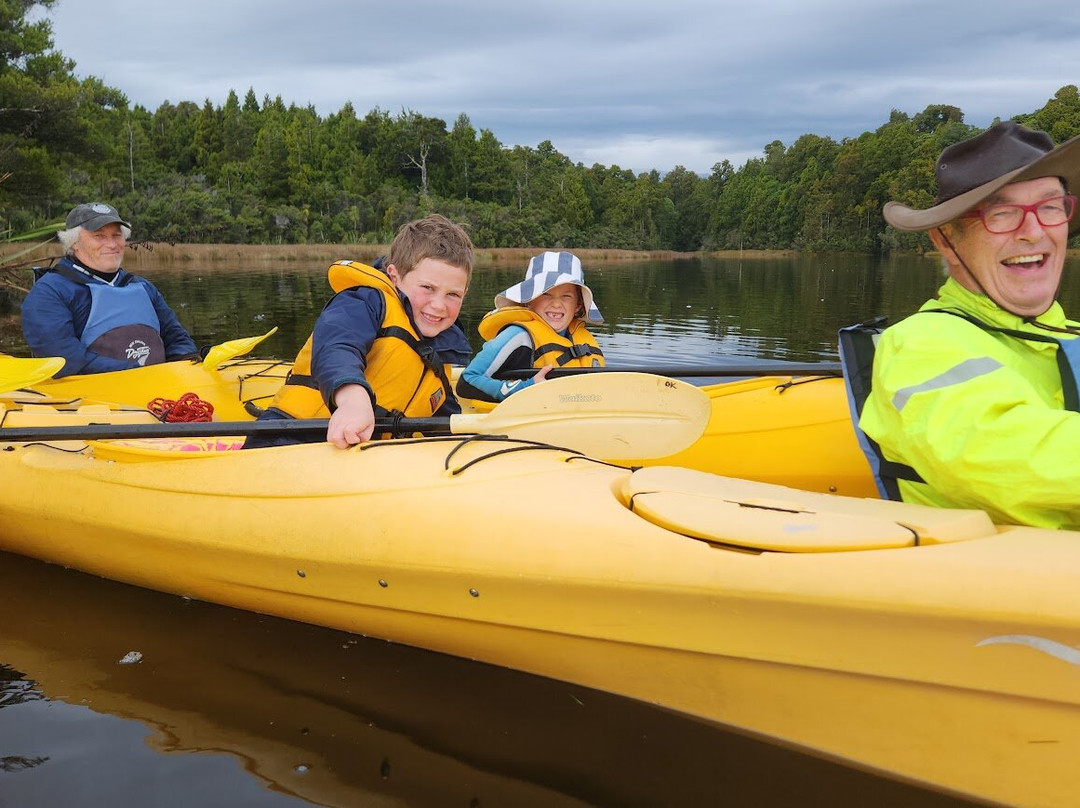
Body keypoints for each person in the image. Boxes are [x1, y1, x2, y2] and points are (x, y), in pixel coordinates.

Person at [857, 121, 1080, 529]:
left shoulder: (1066, 332)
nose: (1033, 232)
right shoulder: (921, 344)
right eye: (1002, 213)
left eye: (1050, 207)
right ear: (946, 239)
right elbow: (1011, 455)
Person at [246, 214, 474, 449]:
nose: (438, 305)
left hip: (364, 455)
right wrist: (352, 400)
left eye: (453, 294)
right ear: (395, 276)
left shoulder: (440, 353)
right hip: (291, 436)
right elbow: (337, 347)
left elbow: (445, 422)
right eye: (428, 288)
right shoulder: (365, 302)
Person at [21, 202, 197, 377]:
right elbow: (66, 360)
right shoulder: (49, 292)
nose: (112, 244)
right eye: (99, 236)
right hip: (92, 397)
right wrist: (139, 375)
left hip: (155, 389)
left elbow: (178, 340)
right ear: (74, 243)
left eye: (116, 235)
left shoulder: (142, 287)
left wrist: (187, 364)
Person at [456, 251, 604, 404]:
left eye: (566, 297)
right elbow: (467, 381)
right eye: (546, 294)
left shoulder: (582, 339)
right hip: (513, 422)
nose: (556, 304)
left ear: (578, 306)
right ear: (529, 300)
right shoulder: (518, 336)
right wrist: (527, 387)